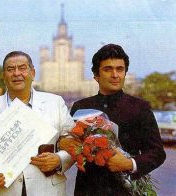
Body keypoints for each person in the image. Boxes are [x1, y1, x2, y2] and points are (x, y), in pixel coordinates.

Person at [63, 44, 166, 195]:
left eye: (120, 69)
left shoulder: (140, 107)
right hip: (88, 190)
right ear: (96, 76)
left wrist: (129, 164)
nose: (115, 75)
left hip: (125, 190)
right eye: (108, 69)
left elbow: (157, 152)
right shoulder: (81, 107)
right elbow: (73, 147)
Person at [0, 51, 75, 196]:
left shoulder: (55, 103)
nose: (17, 73)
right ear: (3, 75)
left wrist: (59, 159)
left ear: (33, 73)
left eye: (22, 68)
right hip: (3, 190)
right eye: (10, 69)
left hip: (48, 189)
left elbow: (74, 144)